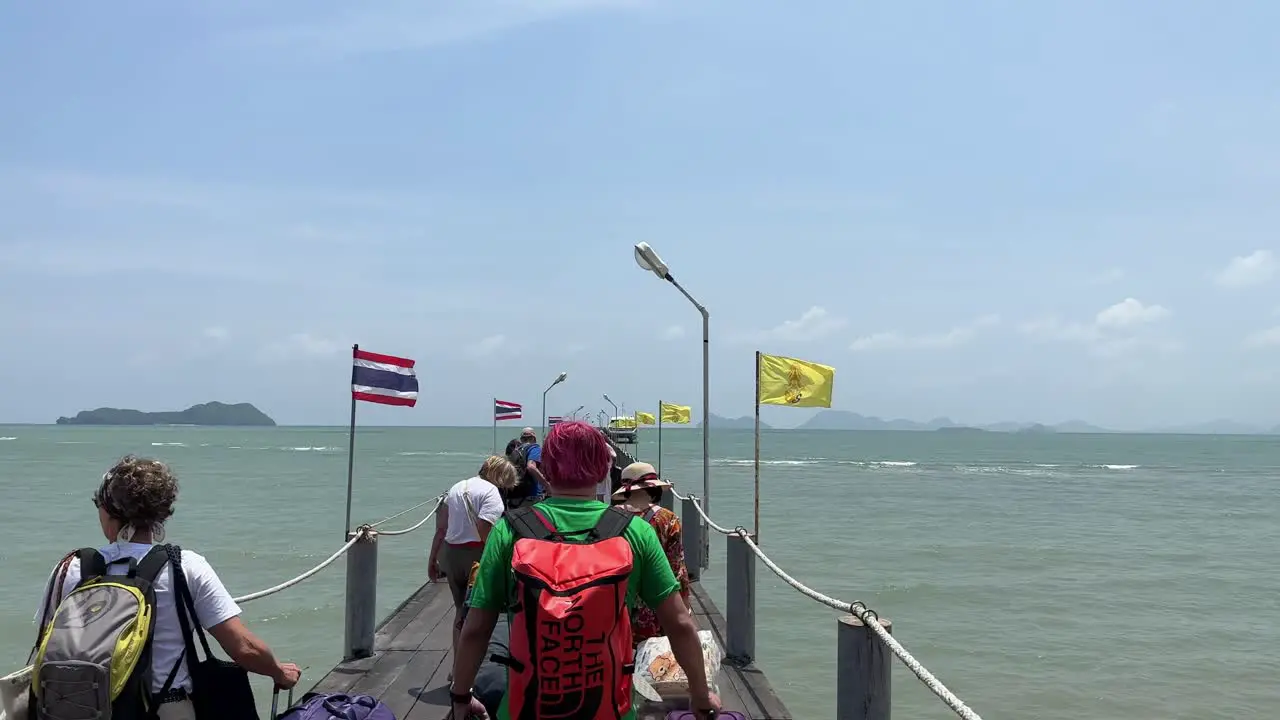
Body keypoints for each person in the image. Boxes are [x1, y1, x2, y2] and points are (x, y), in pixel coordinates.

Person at [448, 421, 720, 720]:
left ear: (546, 470)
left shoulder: (509, 531)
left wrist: (461, 697)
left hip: (526, 708)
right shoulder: (636, 532)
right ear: (605, 470)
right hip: (610, 709)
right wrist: (699, 695)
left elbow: (475, 630)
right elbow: (680, 624)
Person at [33, 455, 300, 720]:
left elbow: (49, 644)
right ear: (162, 512)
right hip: (163, 708)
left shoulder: (71, 567)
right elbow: (244, 648)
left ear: (106, 508)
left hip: (78, 708)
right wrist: (279, 673)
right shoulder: (184, 566)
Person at [429, 455, 516, 663]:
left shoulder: (457, 487)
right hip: (475, 556)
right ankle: (473, 668)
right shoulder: (491, 492)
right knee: (481, 614)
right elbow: (485, 529)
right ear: (501, 476)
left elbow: (441, 528)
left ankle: (458, 666)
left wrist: (432, 560)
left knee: (460, 611)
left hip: (451, 554)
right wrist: (501, 562)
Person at [612, 462, 692, 645]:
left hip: (618, 603)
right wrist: (684, 610)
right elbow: (677, 570)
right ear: (654, 488)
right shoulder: (667, 519)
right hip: (657, 606)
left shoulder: (609, 517)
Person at [503, 428, 546, 509]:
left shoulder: (515, 450)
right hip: (531, 496)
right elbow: (531, 466)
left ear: (522, 439)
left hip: (514, 495)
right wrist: (546, 484)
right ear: (534, 438)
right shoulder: (534, 448)